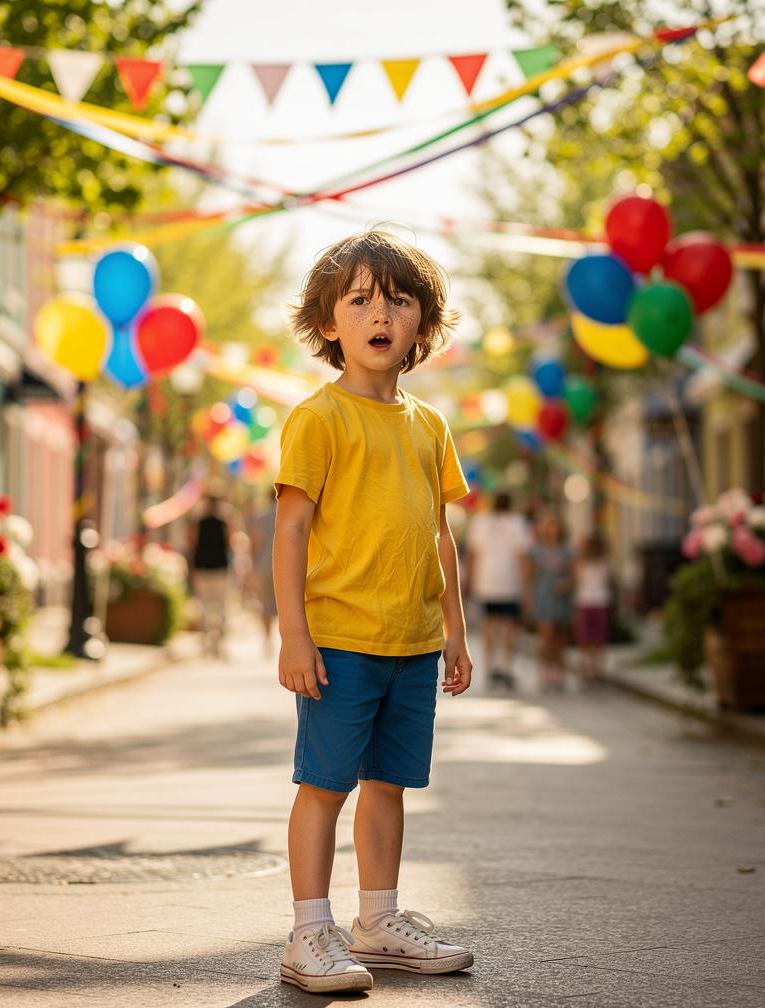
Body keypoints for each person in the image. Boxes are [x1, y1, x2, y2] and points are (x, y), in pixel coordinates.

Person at [274, 230, 474, 994]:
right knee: (325, 786)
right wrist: (294, 632)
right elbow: (291, 529)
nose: (379, 312)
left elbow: (439, 534)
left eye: (398, 299)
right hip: (340, 639)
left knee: (388, 785)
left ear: (423, 322)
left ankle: (379, 919)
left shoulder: (429, 426)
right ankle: (307, 930)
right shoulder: (319, 419)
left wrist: (454, 630)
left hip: (413, 641)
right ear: (329, 324)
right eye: (358, 300)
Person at [464, 491, 531, 690]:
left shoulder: (480, 521)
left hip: (486, 581)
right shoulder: (518, 522)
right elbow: (521, 555)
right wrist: (526, 586)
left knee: (489, 626)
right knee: (509, 627)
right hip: (510, 581)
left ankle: (489, 669)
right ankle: (505, 668)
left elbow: (473, 554)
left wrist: (469, 581)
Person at [526, 510, 574, 691]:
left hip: (561, 598)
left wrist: (568, 584)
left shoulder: (566, 550)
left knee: (560, 637)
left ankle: (559, 670)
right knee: (546, 635)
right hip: (544, 597)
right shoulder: (537, 551)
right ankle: (545, 670)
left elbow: (574, 574)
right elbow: (531, 576)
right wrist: (528, 596)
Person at [189, 487, 232, 657]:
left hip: (203, 567)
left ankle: (206, 640)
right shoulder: (224, 521)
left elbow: (191, 542)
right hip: (220, 567)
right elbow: (231, 541)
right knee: (221, 606)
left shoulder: (198, 521)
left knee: (204, 606)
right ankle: (218, 641)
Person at [573, 531, 612, 684]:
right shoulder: (581, 563)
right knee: (586, 638)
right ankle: (587, 669)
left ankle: (595, 669)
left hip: (599, 601)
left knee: (596, 638)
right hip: (586, 602)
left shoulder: (604, 562)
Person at [246, 487, 278, 655]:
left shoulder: (262, 518)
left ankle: (267, 638)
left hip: (263, 568)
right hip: (285, 568)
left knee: (266, 605)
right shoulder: (288, 515)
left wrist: (251, 570)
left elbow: (253, 546)